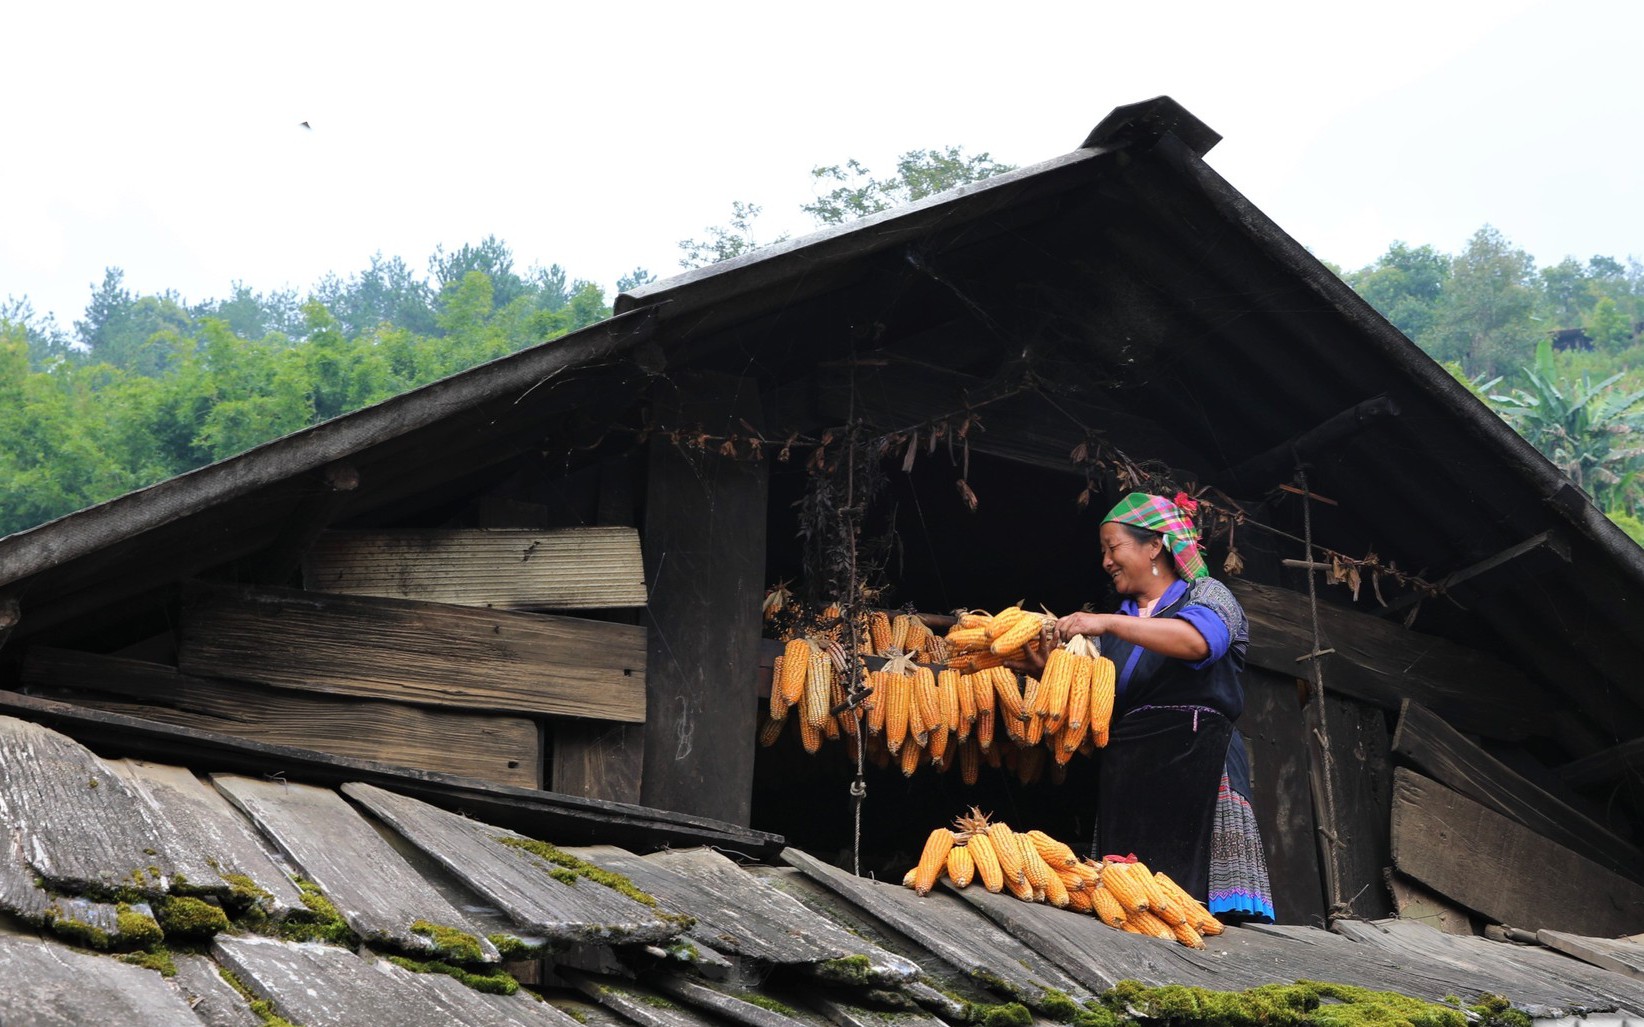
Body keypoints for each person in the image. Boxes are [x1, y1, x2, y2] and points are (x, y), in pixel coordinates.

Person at [1049, 491, 1273, 920]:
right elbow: (1091, 694)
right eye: (1103, 552)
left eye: (1112, 548)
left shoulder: (1207, 595)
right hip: (1131, 775)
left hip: (1199, 762)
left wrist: (1107, 621)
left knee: (1201, 913)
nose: (1106, 562)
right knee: (1133, 910)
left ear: (1155, 545)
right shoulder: (1114, 629)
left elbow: (1197, 642)